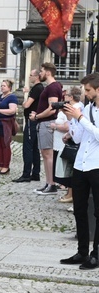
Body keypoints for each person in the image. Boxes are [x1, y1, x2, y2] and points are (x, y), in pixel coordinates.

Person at [62, 73, 99, 270]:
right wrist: (72, 121)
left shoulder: (87, 113)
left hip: (97, 165)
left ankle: (96, 254)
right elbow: (78, 139)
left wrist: (81, 118)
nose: (85, 94)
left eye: (88, 90)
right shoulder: (86, 109)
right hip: (81, 165)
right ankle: (82, 251)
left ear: (98, 90)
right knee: (79, 209)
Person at [31, 63, 63, 194]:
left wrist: (37, 116)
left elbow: (52, 108)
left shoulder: (53, 87)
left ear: (48, 73)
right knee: (45, 154)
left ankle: (52, 184)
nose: (40, 73)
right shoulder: (50, 87)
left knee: (48, 154)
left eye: (42, 71)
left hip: (47, 122)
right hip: (44, 122)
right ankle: (48, 182)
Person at [51, 86, 83, 202]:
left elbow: (74, 125)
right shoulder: (73, 107)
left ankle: (72, 195)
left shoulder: (76, 108)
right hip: (70, 138)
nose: (64, 97)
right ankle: (70, 193)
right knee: (70, 169)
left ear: (71, 96)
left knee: (72, 169)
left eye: (66, 95)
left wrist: (66, 133)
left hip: (74, 142)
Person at [14, 69, 44, 183]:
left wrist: (25, 96)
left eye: (31, 75)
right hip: (35, 120)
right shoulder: (39, 88)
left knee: (28, 147)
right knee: (35, 147)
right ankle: (35, 173)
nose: (29, 77)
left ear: (36, 77)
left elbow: (26, 105)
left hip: (32, 121)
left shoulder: (37, 88)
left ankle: (26, 174)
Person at [0, 79, 18, 175]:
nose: (2, 87)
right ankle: (0, 165)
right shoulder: (1, 96)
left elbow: (12, 111)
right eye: (1, 85)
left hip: (5, 123)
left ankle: (6, 166)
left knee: (5, 144)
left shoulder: (12, 97)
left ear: (9, 87)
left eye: (4, 86)